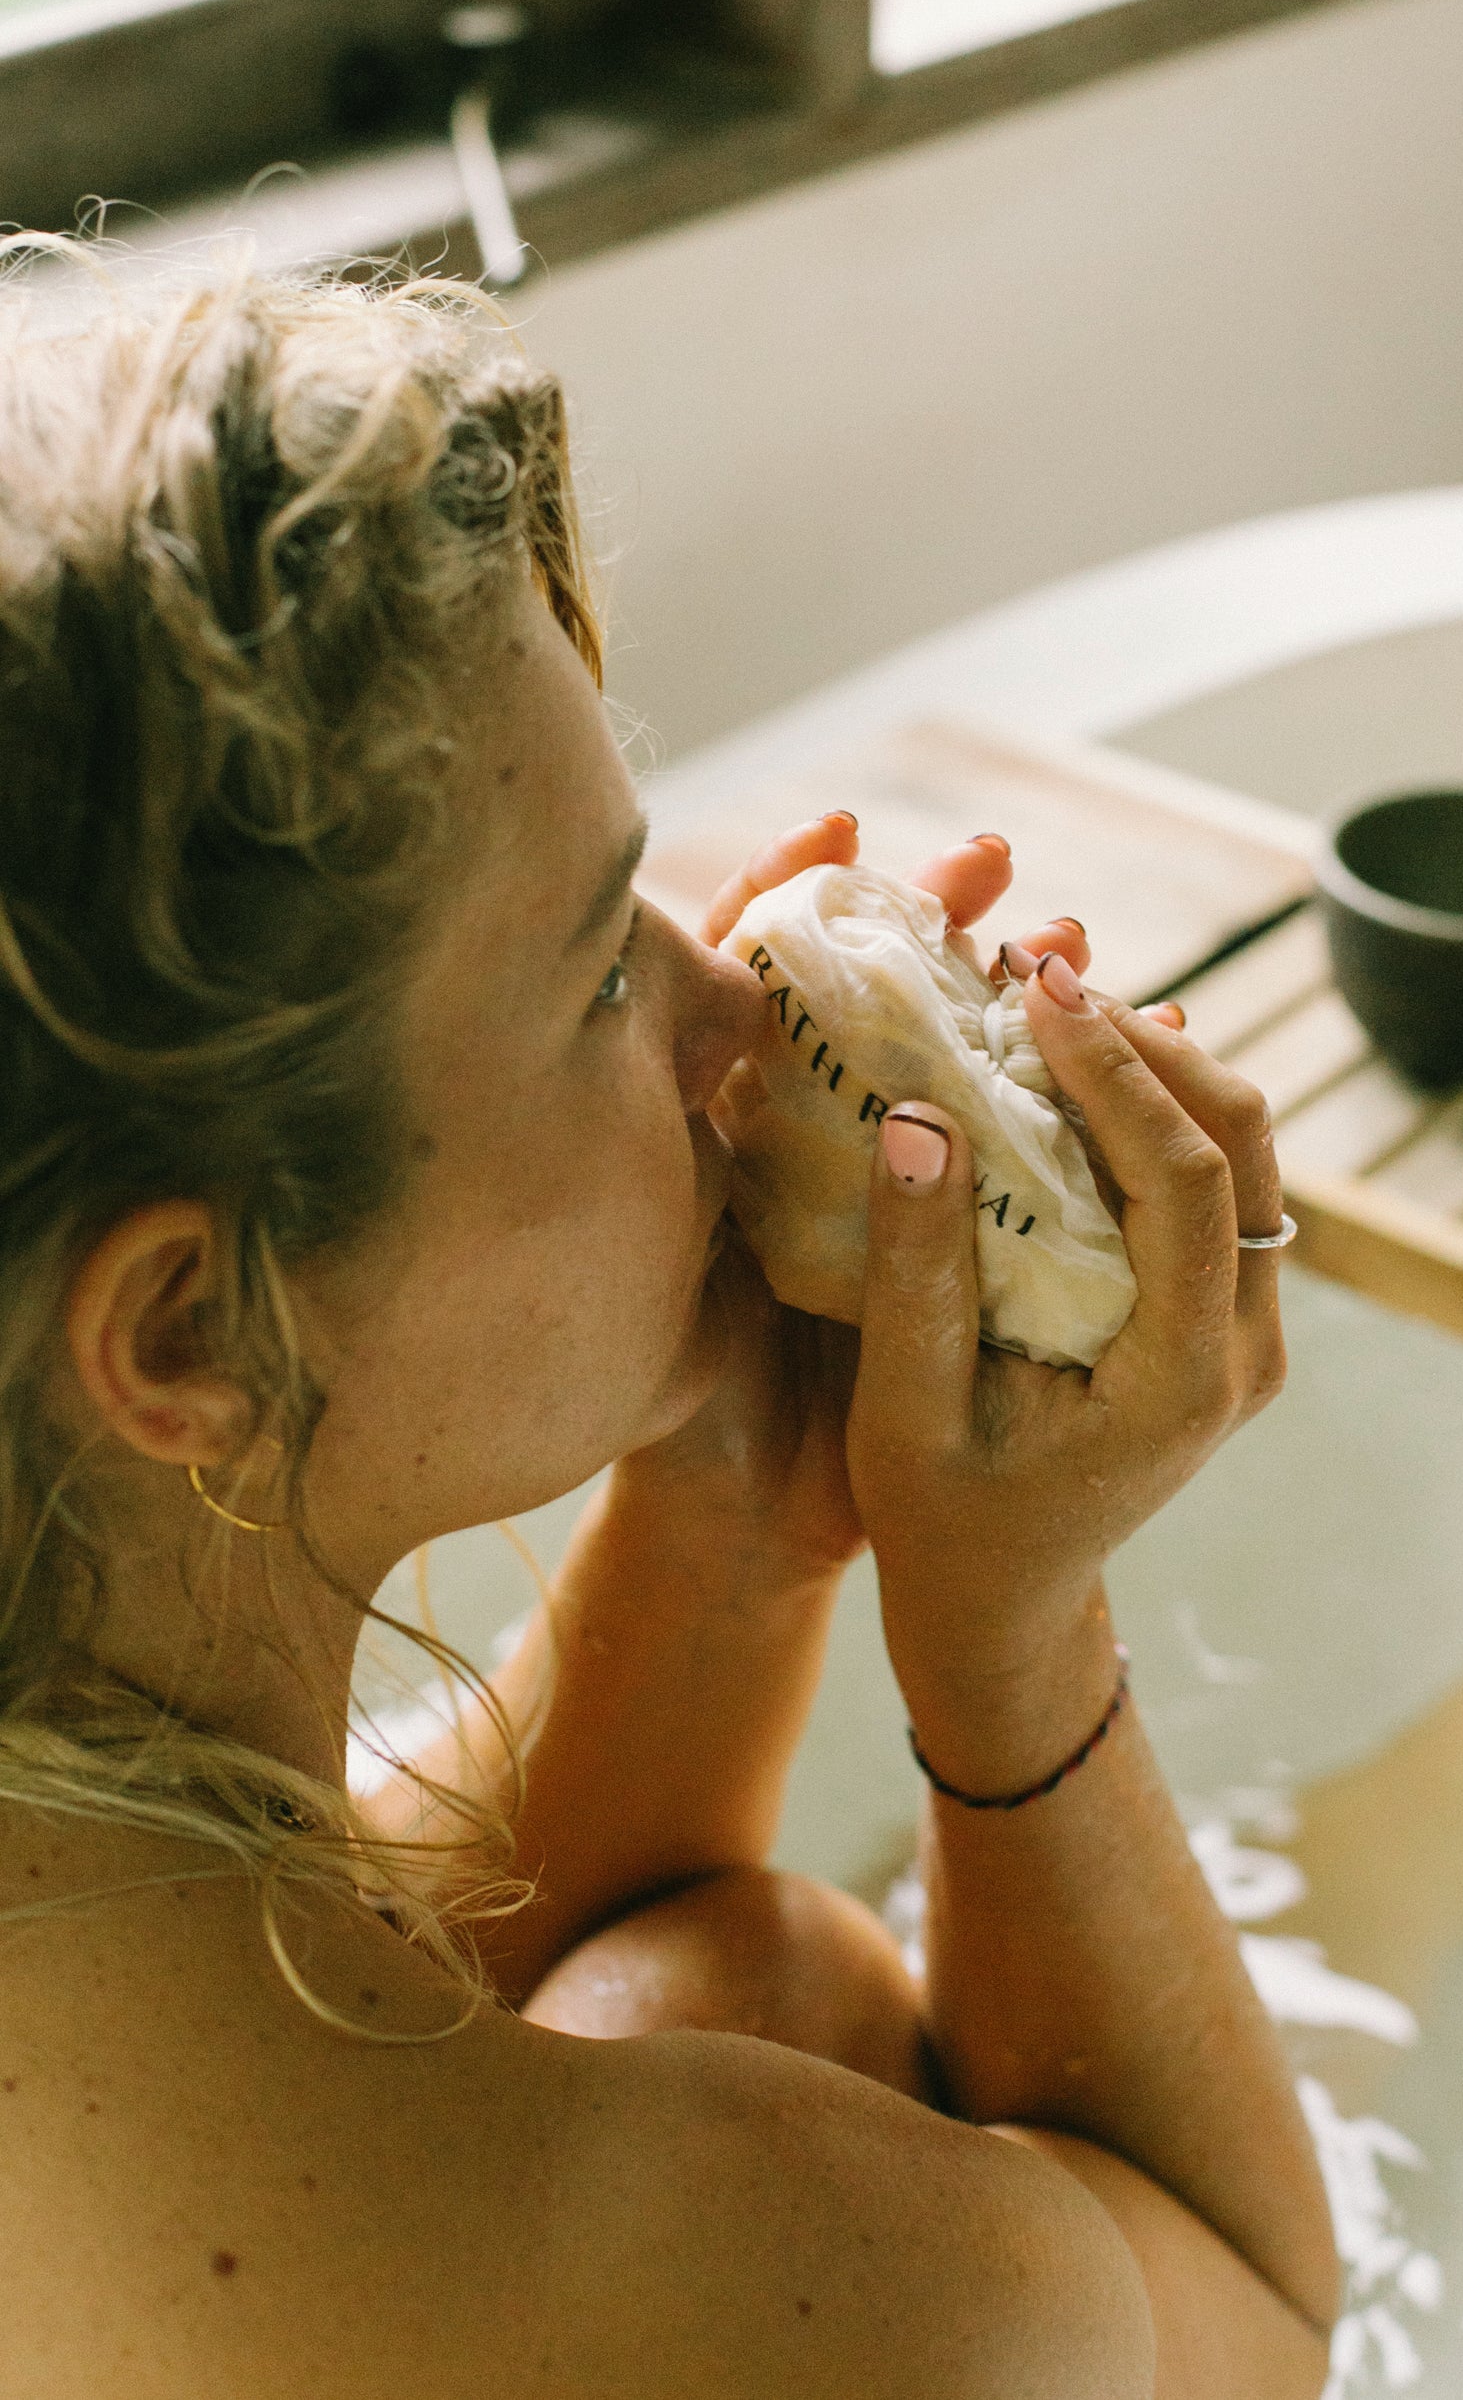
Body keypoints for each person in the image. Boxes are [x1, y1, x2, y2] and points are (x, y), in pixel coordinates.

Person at [0, 250, 1344, 2398]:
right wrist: (1008, 1641)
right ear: (183, 1332)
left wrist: (740, 1489)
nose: (725, 994)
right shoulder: (799, 2287)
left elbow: (325, 1994)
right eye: (597, 977)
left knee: (764, 1963)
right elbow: (1264, 2333)